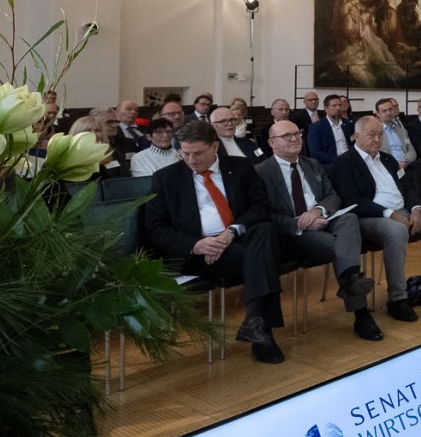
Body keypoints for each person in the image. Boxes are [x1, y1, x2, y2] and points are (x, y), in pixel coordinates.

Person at [143, 121, 287, 363]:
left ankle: (256, 323)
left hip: (239, 238)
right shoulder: (166, 178)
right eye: (185, 153)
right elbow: (156, 229)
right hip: (203, 253)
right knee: (263, 257)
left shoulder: (240, 167)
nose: (191, 160)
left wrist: (231, 232)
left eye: (198, 153)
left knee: (265, 230)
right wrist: (196, 245)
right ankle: (259, 327)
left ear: (215, 147)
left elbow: (260, 208)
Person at [331, 115, 421, 321]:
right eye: (371, 135)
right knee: (396, 231)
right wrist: (389, 213)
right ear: (356, 136)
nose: (377, 140)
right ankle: (397, 299)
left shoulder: (388, 159)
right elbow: (352, 200)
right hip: (370, 217)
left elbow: (408, 187)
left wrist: (416, 208)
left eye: (380, 135)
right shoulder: (345, 162)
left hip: (403, 211)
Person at [254, 120, 382, 342]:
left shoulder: (311, 163)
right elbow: (264, 214)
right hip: (293, 234)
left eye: (297, 133)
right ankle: (360, 311)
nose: (295, 139)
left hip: (323, 220)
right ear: (271, 142)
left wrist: (317, 211)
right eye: (287, 136)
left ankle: (352, 282)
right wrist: (300, 223)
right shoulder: (261, 172)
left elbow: (332, 195)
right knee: (341, 248)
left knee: (349, 218)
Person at [307, 93, 356, 169]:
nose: (338, 108)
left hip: (351, 161)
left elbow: (354, 144)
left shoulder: (349, 124)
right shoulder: (316, 127)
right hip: (331, 164)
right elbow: (315, 152)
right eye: (334, 106)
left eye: (339, 105)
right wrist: (339, 160)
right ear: (326, 109)